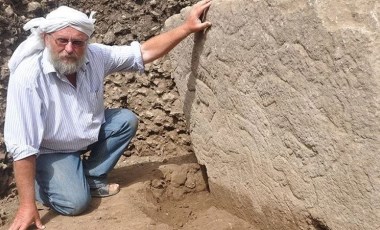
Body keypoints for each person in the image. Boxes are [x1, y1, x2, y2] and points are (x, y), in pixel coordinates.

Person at [4, 0, 212, 229]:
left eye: (78, 42)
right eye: (62, 41)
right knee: (76, 203)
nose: (70, 49)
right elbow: (23, 146)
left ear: (87, 41)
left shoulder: (95, 56)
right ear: (46, 38)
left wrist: (186, 27)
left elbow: (143, 52)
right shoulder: (28, 77)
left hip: (85, 136)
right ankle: (42, 186)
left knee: (125, 120)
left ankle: (90, 178)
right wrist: (27, 205)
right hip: (51, 150)